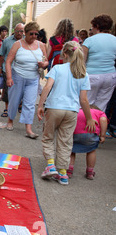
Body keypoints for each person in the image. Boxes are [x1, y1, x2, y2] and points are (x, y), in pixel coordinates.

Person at [37, 41, 95, 185]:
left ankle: (50, 165)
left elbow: (47, 87)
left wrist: (40, 105)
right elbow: (84, 100)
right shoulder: (83, 74)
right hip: (72, 111)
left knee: (48, 136)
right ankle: (63, 173)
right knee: (65, 141)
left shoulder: (57, 68)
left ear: (64, 54)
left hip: (54, 108)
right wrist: (89, 118)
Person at [5, 21, 48, 138]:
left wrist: (43, 64)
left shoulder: (41, 45)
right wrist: (9, 77)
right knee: (14, 100)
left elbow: (47, 61)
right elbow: (8, 61)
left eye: (36, 34)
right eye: (31, 34)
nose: (34, 36)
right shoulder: (17, 44)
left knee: (29, 103)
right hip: (17, 76)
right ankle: (10, 119)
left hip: (33, 78)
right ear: (25, 33)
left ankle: (28, 129)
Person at [81, 14, 116, 112]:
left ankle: (85, 125)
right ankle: (98, 125)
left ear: (96, 26)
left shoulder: (89, 41)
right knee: (102, 106)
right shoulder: (114, 40)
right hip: (110, 75)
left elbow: (82, 61)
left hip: (92, 75)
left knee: (86, 103)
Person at [69, 105, 108, 180]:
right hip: (91, 134)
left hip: (75, 133)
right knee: (91, 151)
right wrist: (102, 135)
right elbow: (103, 120)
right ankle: (90, 172)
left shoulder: (78, 111)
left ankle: (69, 170)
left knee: (72, 151)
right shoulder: (100, 113)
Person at [0, 23, 25, 118]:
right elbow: (1, 55)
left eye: (21, 31)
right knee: (7, 89)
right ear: (14, 31)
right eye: (18, 31)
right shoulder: (7, 41)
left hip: (22, 70)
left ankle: (20, 104)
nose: (19, 33)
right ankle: (7, 108)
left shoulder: (26, 41)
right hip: (7, 69)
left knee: (21, 89)